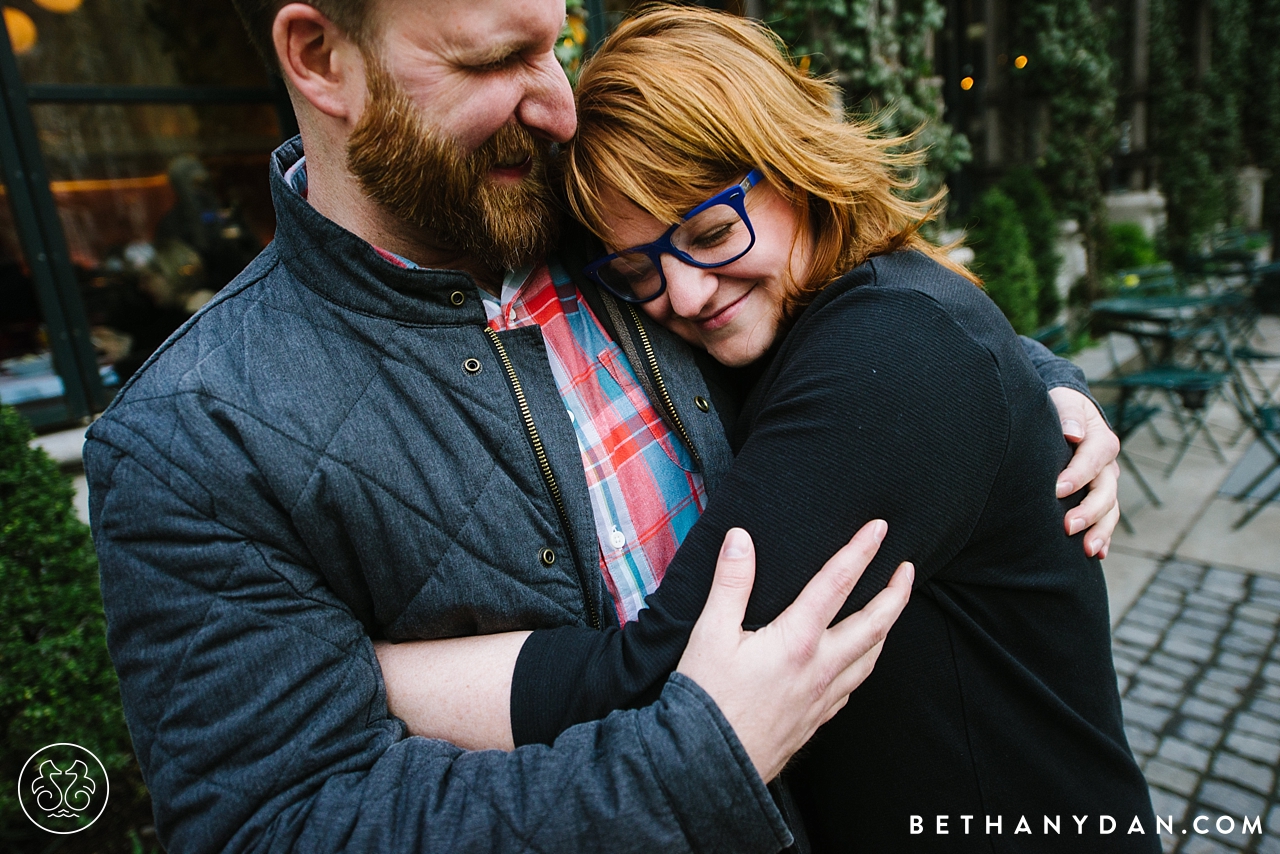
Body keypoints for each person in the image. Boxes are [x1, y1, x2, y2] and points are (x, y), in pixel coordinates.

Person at [83, 1, 1120, 852]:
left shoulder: (597, 221)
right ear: (320, 58)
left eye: (560, 44)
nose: (558, 104)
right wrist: (691, 761)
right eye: (500, 58)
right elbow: (273, 824)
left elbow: (856, 322)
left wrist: (1031, 385)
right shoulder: (192, 435)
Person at [376, 8, 1156, 853]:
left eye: (711, 232)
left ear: (795, 167)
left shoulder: (892, 351)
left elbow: (669, 674)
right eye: (638, 270)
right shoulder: (811, 324)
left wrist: (355, 666)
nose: (685, 295)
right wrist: (1049, 374)